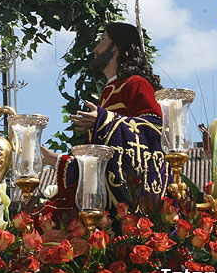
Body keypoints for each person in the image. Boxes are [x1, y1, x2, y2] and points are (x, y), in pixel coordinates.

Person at [42, 22, 170, 217]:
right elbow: (99, 161)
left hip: (127, 199)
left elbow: (153, 131)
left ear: (116, 46)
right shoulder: (108, 92)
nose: (95, 48)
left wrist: (104, 120)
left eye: (102, 40)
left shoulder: (137, 84)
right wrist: (57, 160)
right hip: (105, 196)